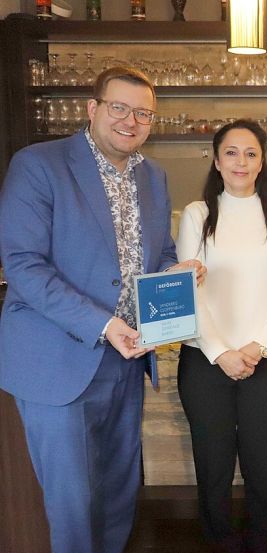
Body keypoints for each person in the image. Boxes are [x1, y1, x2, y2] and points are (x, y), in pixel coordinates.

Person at [0, 66, 204, 553]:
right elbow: (23, 266)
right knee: (72, 504)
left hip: (127, 359)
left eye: (143, 113)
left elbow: (159, 254)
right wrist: (104, 323)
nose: (130, 121)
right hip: (58, 359)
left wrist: (179, 275)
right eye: (119, 108)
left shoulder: (154, 177)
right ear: (93, 109)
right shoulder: (39, 164)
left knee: (116, 495)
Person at [176, 119, 267, 553]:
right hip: (204, 361)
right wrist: (220, 352)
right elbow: (187, 292)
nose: (241, 161)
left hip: (265, 360)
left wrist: (256, 347)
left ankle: (259, 541)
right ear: (216, 160)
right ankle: (218, 541)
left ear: (262, 160)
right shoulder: (197, 214)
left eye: (251, 153)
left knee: (260, 461)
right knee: (212, 463)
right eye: (231, 152)